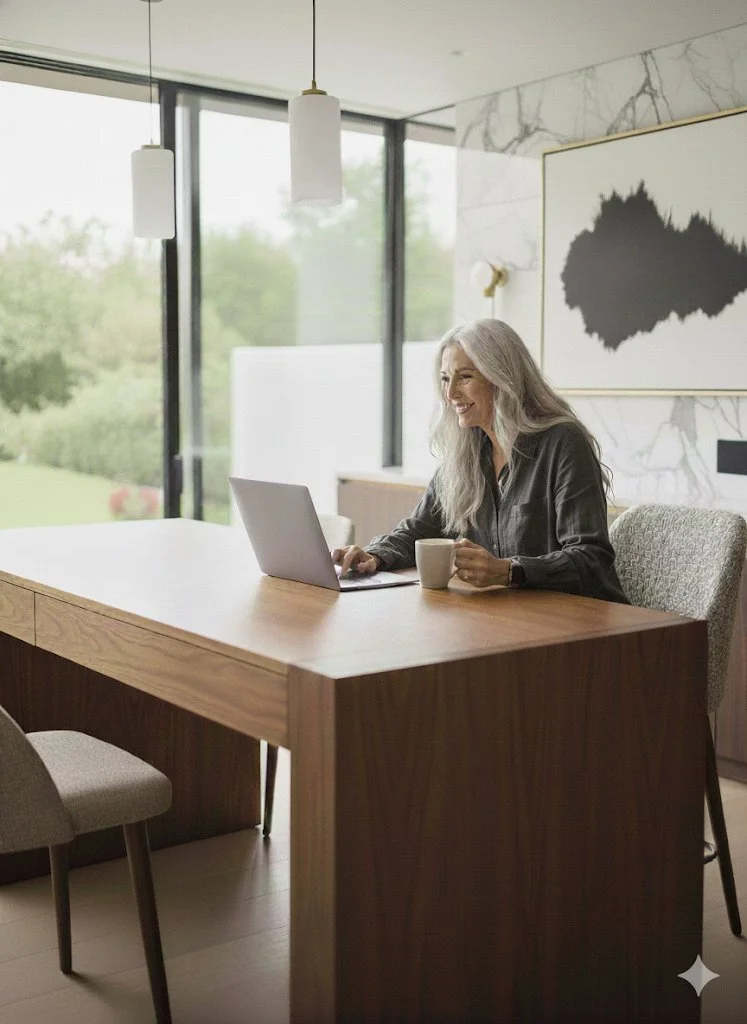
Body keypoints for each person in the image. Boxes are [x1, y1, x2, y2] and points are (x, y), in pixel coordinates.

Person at [334, 318, 628, 603]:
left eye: (465, 377)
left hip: (584, 627)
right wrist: (374, 556)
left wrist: (510, 571)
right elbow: (419, 530)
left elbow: (591, 558)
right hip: (512, 620)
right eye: (446, 378)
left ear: (502, 378)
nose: (450, 394)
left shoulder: (564, 442)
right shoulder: (468, 451)